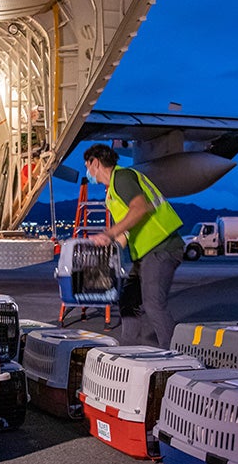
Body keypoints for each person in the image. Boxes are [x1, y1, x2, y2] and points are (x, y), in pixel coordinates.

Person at [84, 144, 184, 348]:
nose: (88, 173)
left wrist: (109, 233)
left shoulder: (122, 177)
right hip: (146, 253)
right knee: (128, 302)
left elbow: (139, 209)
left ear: (95, 162)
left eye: (87, 166)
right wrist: (107, 250)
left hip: (162, 246)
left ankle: (175, 357)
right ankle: (128, 351)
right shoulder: (112, 191)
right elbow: (127, 231)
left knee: (154, 304)